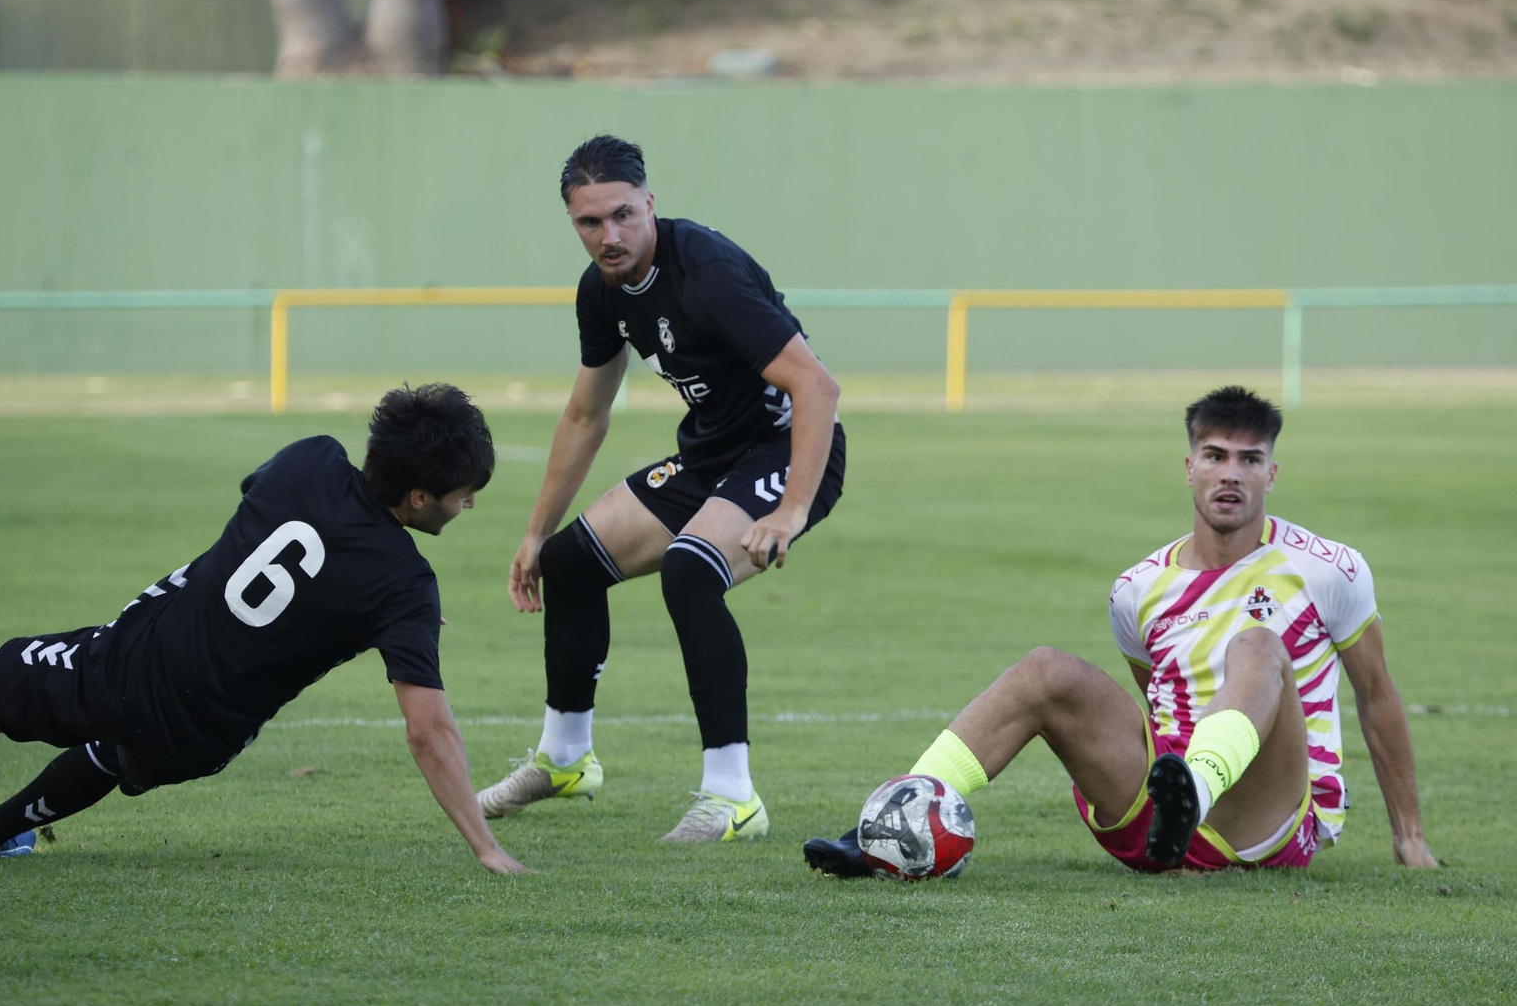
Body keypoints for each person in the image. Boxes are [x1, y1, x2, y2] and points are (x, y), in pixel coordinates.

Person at [805, 385, 1436, 876]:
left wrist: (1409, 837)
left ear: (1272, 474)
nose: (1232, 474)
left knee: (1259, 644)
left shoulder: (1330, 568)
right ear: (1189, 467)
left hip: (1268, 820)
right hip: (1151, 814)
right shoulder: (1137, 589)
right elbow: (1153, 696)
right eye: (1216, 457)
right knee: (1047, 667)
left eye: (1250, 460)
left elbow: (1377, 695)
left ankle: (1197, 785)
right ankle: (897, 823)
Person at [0, 383, 526, 878]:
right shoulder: (406, 587)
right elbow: (428, 729)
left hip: (137, 664)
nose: (467, 505)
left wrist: (380, 610)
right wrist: (484, 846)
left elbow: (271, 519)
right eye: (463, 496)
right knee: (113, 752)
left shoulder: (309, 458)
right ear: (419, 496)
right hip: (207, 738)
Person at [478, 135, 847, 842]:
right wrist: (533, 534)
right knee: (567, 563)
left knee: (689, 571)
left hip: (789, 449)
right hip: (710, 456)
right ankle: (563, 758)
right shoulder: (602, 290)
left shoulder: (706, 270)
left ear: (650, 204)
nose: (608, 236)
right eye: (589, 223)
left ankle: (732, 796)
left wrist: (791, 509)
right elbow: (586, 415)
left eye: (622, 215)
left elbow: (816, 386)